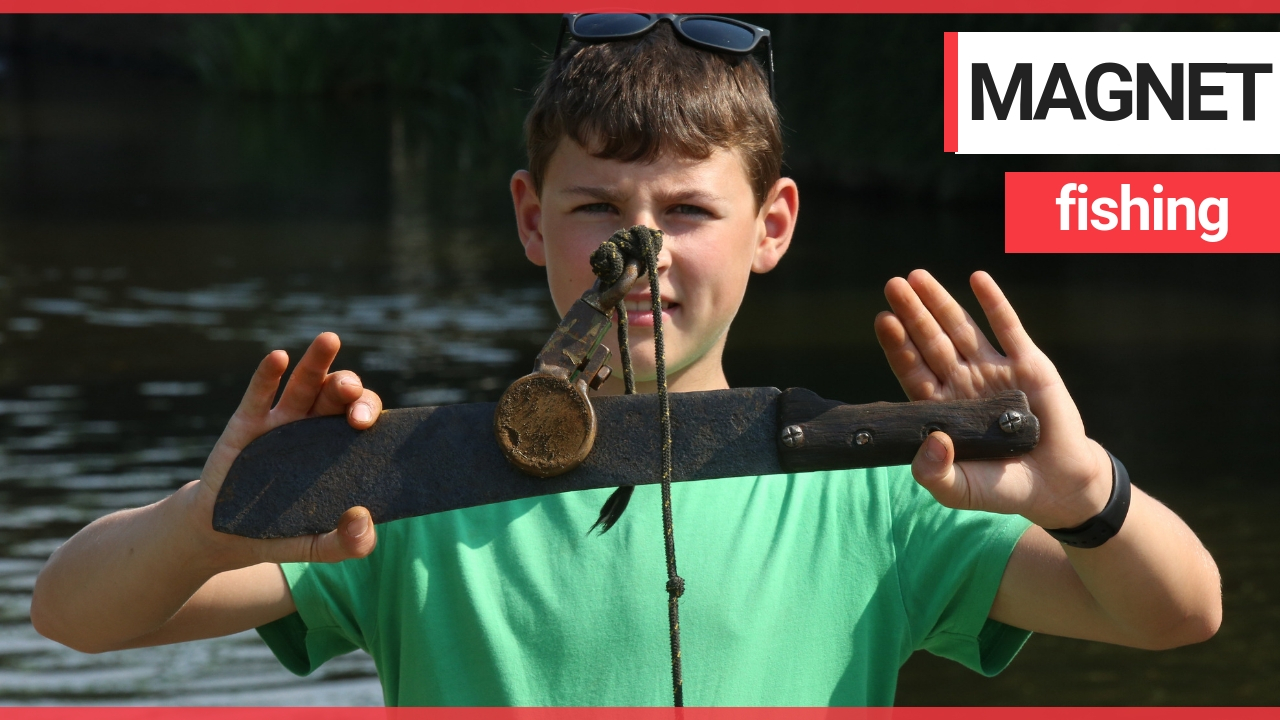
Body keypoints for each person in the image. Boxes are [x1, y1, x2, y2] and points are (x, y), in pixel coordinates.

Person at [30, 16, 1220, 706]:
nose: (637, 249)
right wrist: (206, 515)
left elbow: (1176, 616)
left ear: (773, 227)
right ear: (527, 219)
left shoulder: (864, 482)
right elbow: (72, 616)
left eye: (686, 212)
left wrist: (1086, 500)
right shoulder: (412, 485)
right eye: (597, 207)